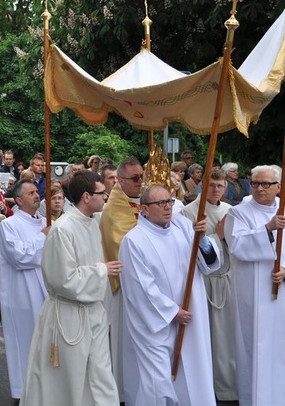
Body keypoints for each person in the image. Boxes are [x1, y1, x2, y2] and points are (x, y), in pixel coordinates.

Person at [20, 170, 119, 405]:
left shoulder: (93, 222)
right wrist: (103, 270)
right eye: (102, 193)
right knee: (70, 382)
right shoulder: (63, 229)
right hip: (68, 315)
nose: (106, 197)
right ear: (86, 196)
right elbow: (62, 279)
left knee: (101, 376)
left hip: (93, 311)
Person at [120, 184, 219, 406]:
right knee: (159, 384)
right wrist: (173, 311)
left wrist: (202, 239)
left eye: (170, 201)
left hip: (190, 319)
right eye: (161, 203)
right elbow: (141, 289)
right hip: (157, 325)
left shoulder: (182, 226)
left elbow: (208, 265)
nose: (168, 207)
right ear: (144, 209)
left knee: (194, 376)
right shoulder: (134, 240)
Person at [225, 164, 285, 406]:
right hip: (251, 290)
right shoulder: (238, 213)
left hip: (280, 291)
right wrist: (268, 228)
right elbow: (236, 245)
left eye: (266, 184)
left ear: (278, 187)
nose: (259, 188)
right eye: (255, 183)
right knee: (253, 346)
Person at [181, 169, 236, 401]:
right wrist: (216, 235)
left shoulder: (230, 210)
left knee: (226, 339)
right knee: (206, 338)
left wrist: (224, 236)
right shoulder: (188, 212)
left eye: (220, 186)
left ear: (226, 188)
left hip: (227, 280)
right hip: (204, 283)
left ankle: (227, 389)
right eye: (211, 185)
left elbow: (237, 245)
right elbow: (189, 251)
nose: (215, 190)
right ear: (202, 186)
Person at [0, 180, 48, 400]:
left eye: (37, 191)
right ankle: (24, 391)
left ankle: (46, 390)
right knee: (25, 344)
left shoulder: (47, 222)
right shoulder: (10, 225)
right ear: (18, 200)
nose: (37, 195)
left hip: (47, 292)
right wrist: (44, 236)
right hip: (22, 296)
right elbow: (20, 257)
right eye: (31, 193)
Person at [99, 157, 144, 399]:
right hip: (125, 286)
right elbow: (123, 246)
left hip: (146, 284)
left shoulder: (140, 201)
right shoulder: (114, 210)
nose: (141, 182)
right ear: (120, 181)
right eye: (135, 178)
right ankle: (124, 392)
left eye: (141, 176)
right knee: (125, 340)